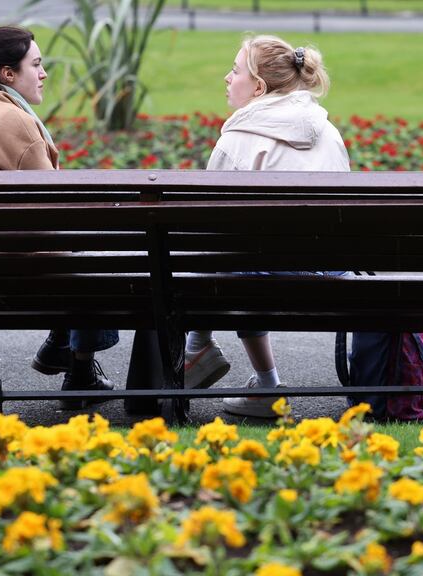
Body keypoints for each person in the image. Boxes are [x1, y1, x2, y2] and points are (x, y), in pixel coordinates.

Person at [0, 26, 117, 409]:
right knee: (106, 260)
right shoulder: (14, 121)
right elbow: (58, 212)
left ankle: (58, 345)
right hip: (15, 275)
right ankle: (79, 370)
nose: (44, 73)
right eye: (36, 64)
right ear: (8, 75)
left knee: (69, 251)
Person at [185, 35, 350, 418]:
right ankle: (201, 350)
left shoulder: (237, 140)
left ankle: (257, 380)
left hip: (263, 281)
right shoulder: (328, 132)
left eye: (236, 70)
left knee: (223, 253)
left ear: (258, 87)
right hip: (332, 276)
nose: (228, 77)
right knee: (239, 254)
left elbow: (210, 225)